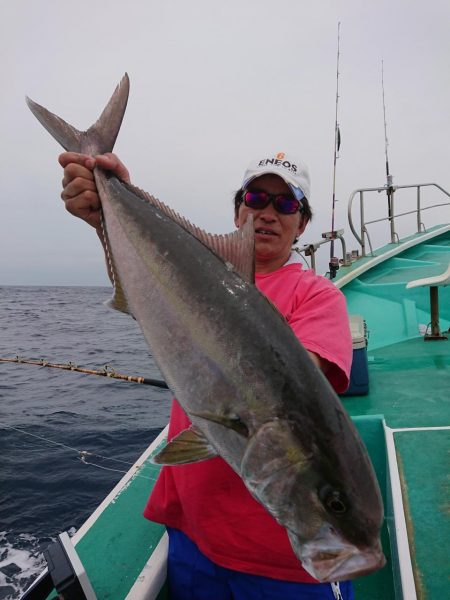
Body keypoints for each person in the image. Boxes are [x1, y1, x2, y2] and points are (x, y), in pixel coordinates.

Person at [59, 150, 354, 600]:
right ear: (238, 209)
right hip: (192, 535)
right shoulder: (198, 276)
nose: (268, 212)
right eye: (256, 197)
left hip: (284, 561)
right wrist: (104, 214)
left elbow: (288, 398)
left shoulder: (317, 296)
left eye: (287, 204)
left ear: (303, 222)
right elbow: (144, 296)